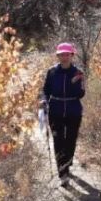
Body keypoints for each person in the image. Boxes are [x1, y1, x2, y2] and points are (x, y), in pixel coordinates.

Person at [40, 42, 85, 183]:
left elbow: (82, 93)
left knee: (70, 141)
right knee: (58, 141)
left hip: (74, 111)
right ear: (58, 56)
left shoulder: (78, 72)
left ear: (72, 55)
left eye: (67, 54)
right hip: (56, 110)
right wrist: (44, 101)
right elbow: (45, 91)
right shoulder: (52, 72)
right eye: (61, 55)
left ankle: (68, 162)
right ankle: (63, 172)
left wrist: (76, 83)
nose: (64, 57)